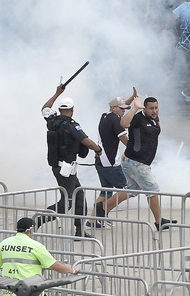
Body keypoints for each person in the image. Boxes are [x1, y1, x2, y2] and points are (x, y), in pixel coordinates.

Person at [0, 217, 81, 296]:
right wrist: (73, 270)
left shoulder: (4, 244)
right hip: (33, 293)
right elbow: (55, 265)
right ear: (31, 230)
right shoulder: (35, 245)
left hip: (12, 293)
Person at [102, 95, 177, 231]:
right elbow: (123, 124)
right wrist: (135, 108)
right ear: (145, 109)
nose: (154, 111)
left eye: (156, 108)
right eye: (151, 109)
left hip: (138, 162)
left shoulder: (155, 119)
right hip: (136, 162)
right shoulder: (138, 119)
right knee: (153, 189)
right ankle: (159, 222)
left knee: (132, 190)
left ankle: (103, 209)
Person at [39, 85, 103, 237]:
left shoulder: (52, 121)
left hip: (60, 166)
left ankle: (80, 230)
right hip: (66, 168)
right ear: (72, 110)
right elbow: (86, 141)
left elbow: (45, 108)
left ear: (60, 109)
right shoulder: (72, 126)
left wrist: (57, 93)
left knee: (79, 194)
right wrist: (98, 150)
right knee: (67, 202)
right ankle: (37, 221)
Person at [92, 91, 137, 223]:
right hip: (110, 163)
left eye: (124, 108)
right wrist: (136, 151)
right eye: (121, 108)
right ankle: (103, 211)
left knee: (105, 192)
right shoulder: (115, 119)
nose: (123, 111)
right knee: (129, 188)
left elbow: (121, 107)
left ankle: (93, 219)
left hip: (101, 161)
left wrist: (131, 99)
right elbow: (123, 138)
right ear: (113, 108)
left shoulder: (105, 116)